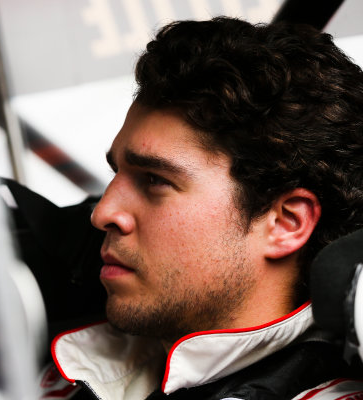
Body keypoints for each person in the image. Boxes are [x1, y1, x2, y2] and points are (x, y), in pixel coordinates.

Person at [39, 17, 363, 400]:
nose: (103, 212)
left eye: (155, 180)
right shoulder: (61, 360)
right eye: (116, 173)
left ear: (285, 223)